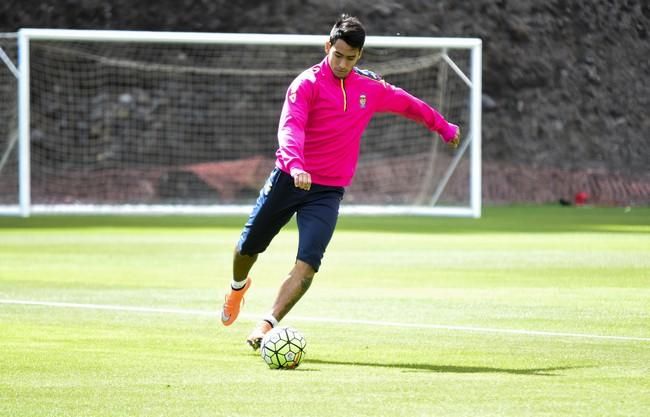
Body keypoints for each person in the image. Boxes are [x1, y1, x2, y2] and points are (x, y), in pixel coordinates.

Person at [220, 14, 460, 350]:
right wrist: (296, 164)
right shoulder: (306, 84)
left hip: (328, 191)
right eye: (338, 55)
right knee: (248, 247)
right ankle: (237, 286)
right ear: (327, 46)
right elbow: (290, 128)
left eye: (351, 58)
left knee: (308, 263)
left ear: (359, 56)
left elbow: (408, 104)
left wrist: (444, 127)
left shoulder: (369, 87)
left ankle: (265, 326)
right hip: (290, 179)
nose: (344, 64)